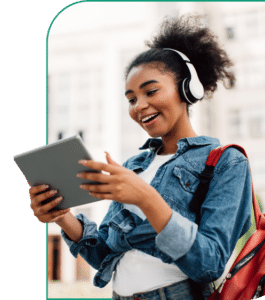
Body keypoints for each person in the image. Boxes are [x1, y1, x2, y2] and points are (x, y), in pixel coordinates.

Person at [29, 15, 252, 300]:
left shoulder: (227, 162)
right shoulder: (134, 167)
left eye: (151, 91)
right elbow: (106, 255)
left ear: (187, 89)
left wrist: (145, 198)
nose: (139, 106)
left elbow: (209, 264)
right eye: (131, 99)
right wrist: (63, 217)